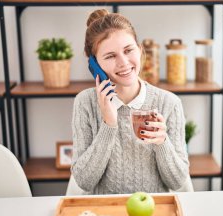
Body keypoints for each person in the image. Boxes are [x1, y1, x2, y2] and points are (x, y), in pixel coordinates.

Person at [71, 9, 190, 194]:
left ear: (140, 50)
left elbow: (177, 182)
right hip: (105, 214)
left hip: (154, 213)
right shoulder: (85, 103)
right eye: (110, 56)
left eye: (128, 50)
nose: (124, 62)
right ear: (94, 65)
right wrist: (109, 124)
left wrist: (162, 143)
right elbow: (84, 181)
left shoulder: (169, 103)